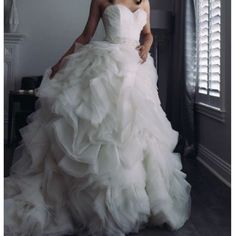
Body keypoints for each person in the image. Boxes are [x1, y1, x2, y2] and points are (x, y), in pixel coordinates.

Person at [4, 0, 192, 235]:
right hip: (106, 66)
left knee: (137, 132)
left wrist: (146, 46)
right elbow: (85, 36)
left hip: (136, 71)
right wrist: (59, 64)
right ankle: (93, 203)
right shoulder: (101, 0)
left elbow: (148, 33)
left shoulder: (144, 2)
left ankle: (137, 199)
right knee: (101, 131)